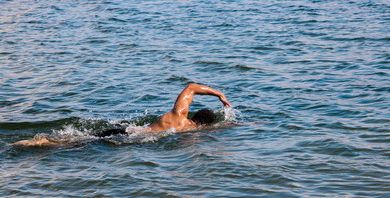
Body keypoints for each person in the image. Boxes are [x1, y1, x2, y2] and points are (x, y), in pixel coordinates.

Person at [12, 83, 231, 146]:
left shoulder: (178, 115)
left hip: (126, 132)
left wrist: (219, 94)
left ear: (194, 112)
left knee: (78, 139)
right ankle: (36, 144)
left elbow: (192, 86)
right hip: (129, 140)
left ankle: (35, 143)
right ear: (202, 125)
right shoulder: (191, 133)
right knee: (75, 143)